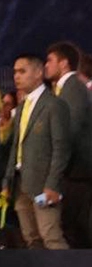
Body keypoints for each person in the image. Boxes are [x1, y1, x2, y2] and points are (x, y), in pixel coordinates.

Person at [2, 54, 71, 250]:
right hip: (20, 182)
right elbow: (16, 146)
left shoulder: (54, 105)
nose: (16, 76)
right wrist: (7, 182)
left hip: (44, 184)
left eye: (22, 71)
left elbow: (61, 148)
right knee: (31, 239)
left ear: (39, 73)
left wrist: (53, 185)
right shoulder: (23, 105)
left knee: (51, 237)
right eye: (15, 72)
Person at [44, 42, 92, 247]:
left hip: (76, 173)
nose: (45, 66)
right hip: (72, 171)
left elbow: (67, 132)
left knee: (76, 230)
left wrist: (55, 169)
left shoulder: (73, 88)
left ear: (64, 63)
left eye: (49, 61)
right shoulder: (66, 89)